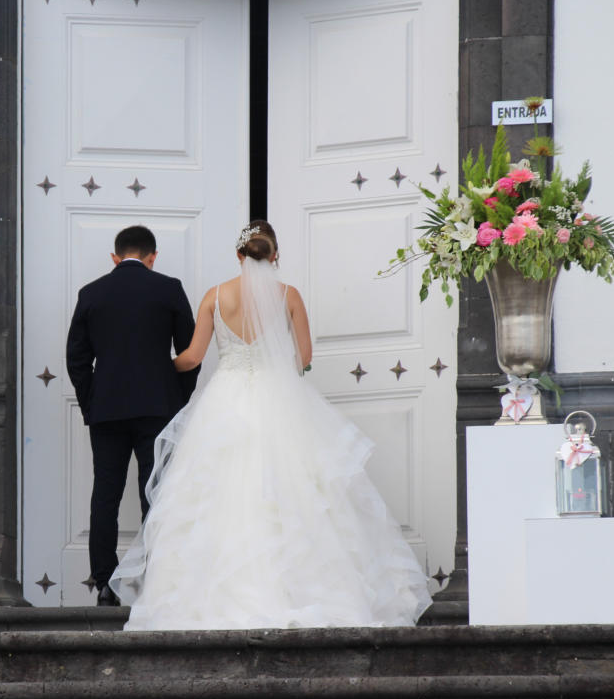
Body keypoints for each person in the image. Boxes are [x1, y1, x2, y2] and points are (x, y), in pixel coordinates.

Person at [109, 220, 432, 629]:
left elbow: (191, 357)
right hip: (278, 399)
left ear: (239, 256)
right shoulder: (289, 296)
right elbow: (304, 357)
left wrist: (155, 367)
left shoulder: (215, 295)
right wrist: (276, 365)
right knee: (297, 493)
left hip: (224, 400)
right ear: (275, 256)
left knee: (213, 491)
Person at [66, 225, 199, 606]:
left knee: (104, 494)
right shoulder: (168, 289)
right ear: (152, 257)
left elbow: (77, 358)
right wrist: (177, 398)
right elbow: (189, 353)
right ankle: (155, 579)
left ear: (115, 256)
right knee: (155, 492)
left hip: (107, 411)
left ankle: (105, 586)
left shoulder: (91, 293)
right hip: (158, 408)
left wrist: (91, 402)